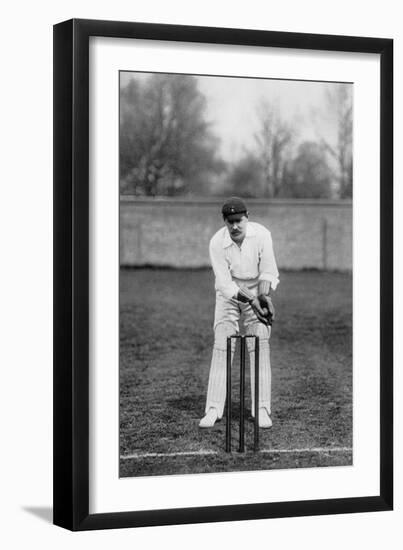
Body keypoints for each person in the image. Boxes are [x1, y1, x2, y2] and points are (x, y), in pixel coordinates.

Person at [199, 197, 279, 429]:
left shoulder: (262, 235)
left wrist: (263, 295)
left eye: (238, 221)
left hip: (257, 289)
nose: (234, 226)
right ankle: (213, 409)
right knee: (222, 340)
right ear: (225, 222)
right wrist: (251, 299)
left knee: (260, 339)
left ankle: (261, 409)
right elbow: (224, 284)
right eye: (229, 222)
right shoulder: (217, 242)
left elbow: (268, 270)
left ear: (247, 218)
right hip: (230, 293)